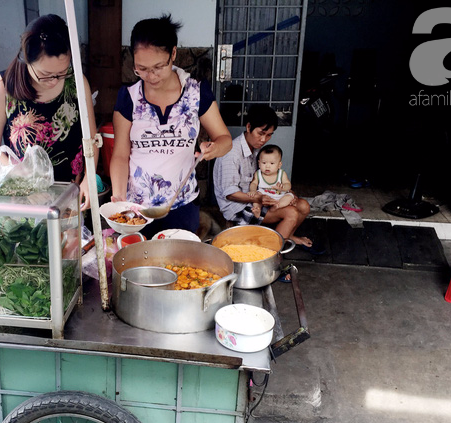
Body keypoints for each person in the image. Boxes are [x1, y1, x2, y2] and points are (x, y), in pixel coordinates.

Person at [109, 14, 232, 238]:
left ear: (173, 54)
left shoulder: (196, 92)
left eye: (158, 67)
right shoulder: (128, 97)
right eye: (141, 69)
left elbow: (225, 139)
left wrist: (215, 149)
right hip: (136, 209)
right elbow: (120, 154)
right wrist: (119, 198)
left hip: (182, 205)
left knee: (179, 269)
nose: (151, 76)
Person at [0, 14, 98, 209]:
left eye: (62, 72)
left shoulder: (76, 82)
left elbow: (91, 139)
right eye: (45, 74)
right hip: (26, 197)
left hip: (72, 194)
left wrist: (89, 178)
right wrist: (18, 174)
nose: (54, 80)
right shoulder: (1, 89)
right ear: (26, 59)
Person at [213, 104, 314, 248]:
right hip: (237, 207)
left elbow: (264, 180)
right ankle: (270, 254)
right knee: (291, 213)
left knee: (303, 206)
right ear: (249, 127)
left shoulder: (255, 151)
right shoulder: (231, 154)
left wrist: (285, 192)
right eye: (261, 133)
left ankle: (287, 235)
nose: (264, 139)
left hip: (258, 198)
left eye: (269, 135)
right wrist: (259, 198)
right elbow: (230, 194)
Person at [249, 144, 310, 218]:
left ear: (279, 165)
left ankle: (277, 206)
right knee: (256, 197)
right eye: (264, 163)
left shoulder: (281, 173)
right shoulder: (258, 173)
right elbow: (254, 183)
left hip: (279, 196)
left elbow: (288, 184)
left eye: (272, 163)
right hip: (264, 195)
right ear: (259, 163)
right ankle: (257, 209)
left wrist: (283, 187)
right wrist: (252, 191)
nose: (267, 166)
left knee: (289, 196)